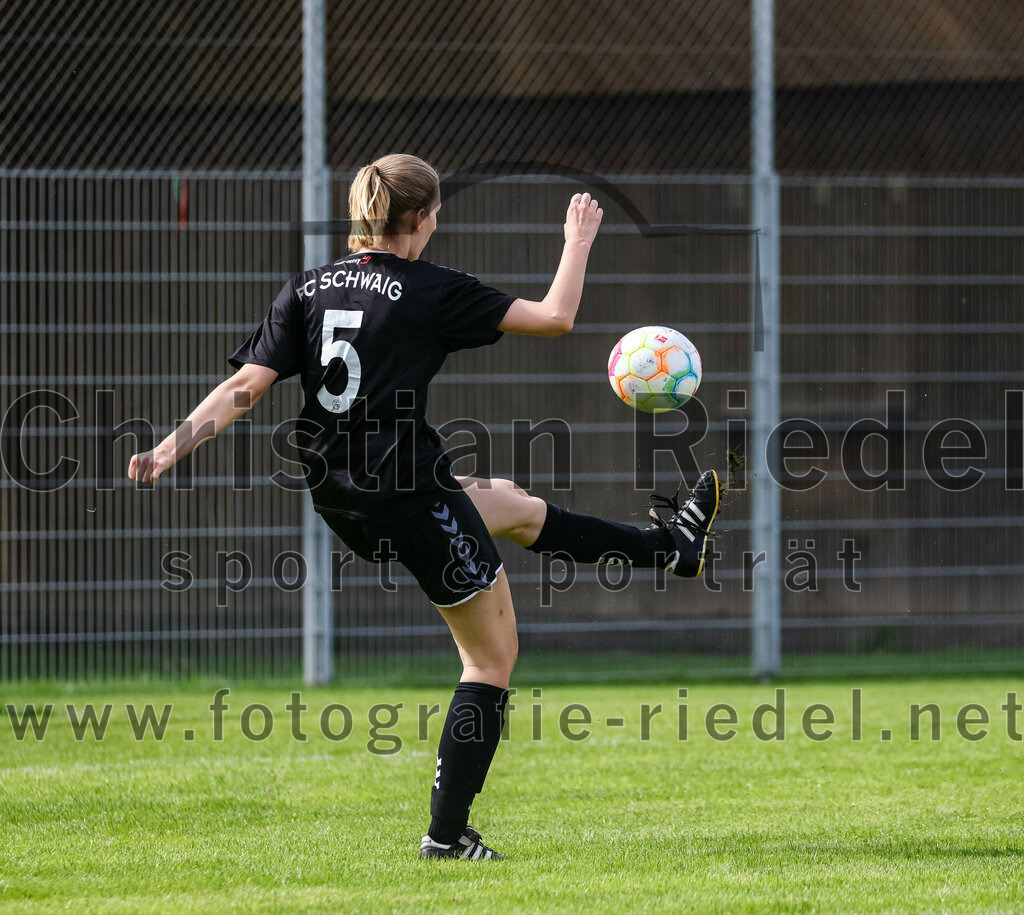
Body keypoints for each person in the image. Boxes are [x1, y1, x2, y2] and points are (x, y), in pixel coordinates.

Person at [128, 153, 721, 860]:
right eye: (437, 212)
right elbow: (556, 317)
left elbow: (245, 388)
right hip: (408, 492)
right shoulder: (430, 289)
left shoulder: (309, 287)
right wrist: (578, 241)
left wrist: (170, 447)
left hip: (341, 493)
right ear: (420, 217)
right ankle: (446, 835)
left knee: (512, 506)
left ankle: (669, 549)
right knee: (491, 658)